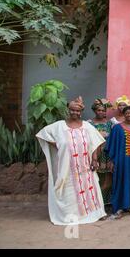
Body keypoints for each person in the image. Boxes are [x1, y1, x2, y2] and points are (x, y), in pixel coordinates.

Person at [36, 96, 107, 225]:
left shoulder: (87, 126)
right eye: (72, 110)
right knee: (69, 190)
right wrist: (57, 144)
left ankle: (96, 212)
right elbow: (43, 133)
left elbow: (95, 142)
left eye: (77, 111)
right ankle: (71, 215)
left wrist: (94, 159)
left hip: (85, 166)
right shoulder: (59, 126)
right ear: (68, 110)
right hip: (67, 167)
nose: (75, 113)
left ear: (81, 112)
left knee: (91, 188)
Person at [106, 106, 130, 219]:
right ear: (124, 114)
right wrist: (111, 161)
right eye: (127, 113)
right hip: (120, 161)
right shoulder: (117, 128)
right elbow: (111, 145)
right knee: (120, 182)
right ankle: (119, 206)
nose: (129, 115)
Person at [87, 98, 113, 207]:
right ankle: (95, 202)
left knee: (108, 179)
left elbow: (112, 139)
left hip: (106, 154)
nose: (101, 112)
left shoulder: (110, 123)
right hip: (94, 154)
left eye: (103, 110)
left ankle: (105, 202)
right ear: (94, 111)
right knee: (95, 179)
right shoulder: (89, 123)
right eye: (99, 110)